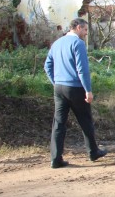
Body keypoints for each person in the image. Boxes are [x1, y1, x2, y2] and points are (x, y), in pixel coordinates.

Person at [44, 18, 107, 168]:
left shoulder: (57, 43)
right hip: (75, 88)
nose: (86, 34)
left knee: (58, 123)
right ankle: (93, 152)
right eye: (85, 30)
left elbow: (47, 65)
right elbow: (82, 69)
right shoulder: (77, 44)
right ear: (78, 27)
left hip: (59, 88)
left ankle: (55, 159)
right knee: (85, 120)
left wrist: (56, 82)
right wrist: (88, 90)